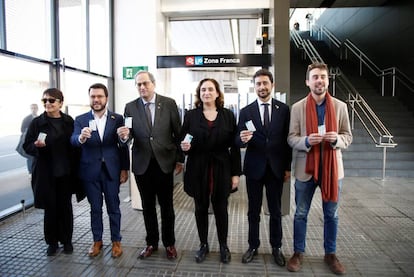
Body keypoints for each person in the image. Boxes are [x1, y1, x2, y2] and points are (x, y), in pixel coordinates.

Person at [287, 62, 352, 275]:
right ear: (308, 82)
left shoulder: (340, 107)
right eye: (315, 77)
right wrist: (306, 141)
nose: (319, 80)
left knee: (331, 215)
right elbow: (291, 138)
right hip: (306, 168)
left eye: (323, 76)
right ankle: (298, 253)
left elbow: (347, 137)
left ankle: (330, 254)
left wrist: (336, 140)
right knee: (301, 214)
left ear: (328, 80)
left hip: (333, 170)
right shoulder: (297, 108)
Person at [124, 71, 184, 260]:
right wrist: (125, 137)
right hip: (142, 165)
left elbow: (178, 133)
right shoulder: (130, 107)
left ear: (153, 84)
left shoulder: (169, 103)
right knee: (147, 207)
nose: (142, 87)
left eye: (145, 83)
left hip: (164, 163)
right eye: (139, 84)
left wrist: (180, 159)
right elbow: (129, 134)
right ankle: (151, 242)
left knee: (167, 207)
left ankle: (169, 244)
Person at [180, 78, 241, 264]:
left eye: (210, 89)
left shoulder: (228, 115)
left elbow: (235, 146)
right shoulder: (191, 116)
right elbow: (183, 140)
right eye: (203, 89)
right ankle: (203, 244)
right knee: (200, 208)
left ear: (217, 93)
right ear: (199, 93)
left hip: (222, 167)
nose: (206, 92)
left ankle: (223, 245)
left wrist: (236, 173)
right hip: (198, 166)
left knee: (221, 208)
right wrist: (184, 147)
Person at [237, 68, 292, 266]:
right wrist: (242, 140)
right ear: (254, 87)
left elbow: (287, 141)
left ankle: (276, 247)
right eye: (258, 84)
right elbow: (238, 138)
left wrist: (287, 168)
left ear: (272, 85)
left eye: (265, 83)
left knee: (275, 211)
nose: (261, 87)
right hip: (254, 168)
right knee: (253, 210)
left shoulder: (283, 110)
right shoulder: (246, 111)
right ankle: (253, 246)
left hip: (276, 168)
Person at [71, 83, 130, 258]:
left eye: (99, 96)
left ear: (106, 98)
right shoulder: (80, 119)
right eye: (93, 96)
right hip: (90, 171)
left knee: (114, 208)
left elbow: (123, 146)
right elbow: (73, 139)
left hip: (111, 171)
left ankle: (116, 241)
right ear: (89, 98)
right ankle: (97, 241)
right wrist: (80, 138)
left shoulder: (118, 118)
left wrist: (125, 168)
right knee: (95, 208)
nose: (96, 100)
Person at [23, 89, 77, 256]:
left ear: (61, 103)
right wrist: (36, 147)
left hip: (65, 172)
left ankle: (67, 240)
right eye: (44, 101)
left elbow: (75, 145)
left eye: (52, 100)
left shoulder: (69, 121)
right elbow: (26, 146)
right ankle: (52, 242)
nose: (47, 103)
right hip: (46, 173)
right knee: (50, 208)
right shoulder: (37, 123)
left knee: (65, 207)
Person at [17, 103, 38, 174]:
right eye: (32, 108)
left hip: (37, 140)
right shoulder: (26, 119)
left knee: (36, 156)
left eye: (35, 108)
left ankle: (36, 171)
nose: (33, 110)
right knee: (30, 157)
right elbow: (22, 129)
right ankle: (30, 172)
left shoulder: (39, 117)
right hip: (29, 140)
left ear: (37, 109)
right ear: (30, 109)